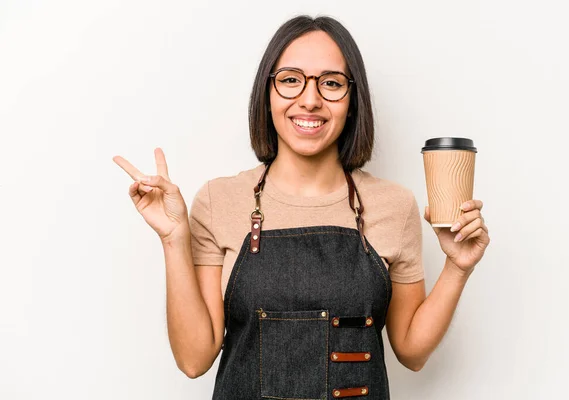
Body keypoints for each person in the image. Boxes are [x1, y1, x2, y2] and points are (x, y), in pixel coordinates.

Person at [113, 15, 490, 400]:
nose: (310, 100)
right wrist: (174, 238)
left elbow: (411, 351)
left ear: (352, 100)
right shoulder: (216, 200)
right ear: (268, 92)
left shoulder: (395, 205)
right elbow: (194, 359)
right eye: (291, 79)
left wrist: (458, 267)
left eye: (331, 83)